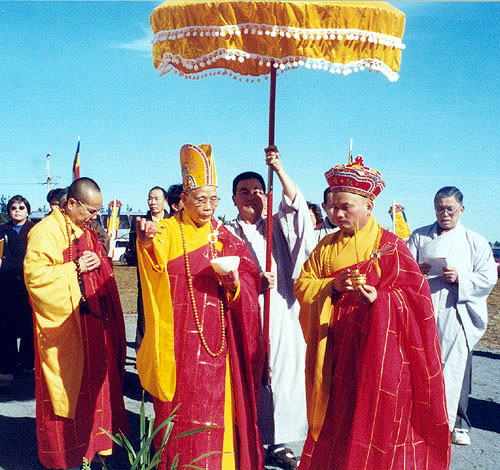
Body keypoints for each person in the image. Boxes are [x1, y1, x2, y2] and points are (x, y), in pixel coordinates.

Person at [294, 156, 451, 470]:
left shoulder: (391, 247)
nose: (337, 214)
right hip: (335, 349)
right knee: (336, 418)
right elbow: (303, 284)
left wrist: (380, 299)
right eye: (332, 207)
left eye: (345, 207)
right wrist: (332, 287)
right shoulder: (325, 246)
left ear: (369, 205)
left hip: (378, 351)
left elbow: (415, 298)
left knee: (376, 419)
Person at [136, 144, 264, 470]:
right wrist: (147, 240)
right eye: (200, 200)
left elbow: (249, 283)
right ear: (183, 200)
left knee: (218, 412)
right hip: (177, 338)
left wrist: (235, 286)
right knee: (180, 412)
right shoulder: (166, 230)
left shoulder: (222, 236)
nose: (208, 208)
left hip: (217, 343)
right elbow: (152, 263)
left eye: (213, 200)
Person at [24, 177, 129, 469]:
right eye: (91, 211)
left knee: (93, 390)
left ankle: (91, 449)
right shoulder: (45, 232)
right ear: (72, 204)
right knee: (64, 393)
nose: (94, 218)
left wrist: (98, 261)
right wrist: (74, 268)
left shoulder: (85, 232)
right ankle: (61, 457)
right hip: (63, 328)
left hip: (90, 325)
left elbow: (100, 265)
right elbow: (36, 279)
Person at [226, 146, 315, 470]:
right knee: (245, 375)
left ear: (266, 196)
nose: (251, 196)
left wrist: (278, 168)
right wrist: (250, 281)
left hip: (278, 312)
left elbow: (298, 213)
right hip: (243, 316)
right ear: (233, 199)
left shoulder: (276, 227)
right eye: (243, 192)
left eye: (257, 191)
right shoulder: (225, 233)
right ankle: (241, 438)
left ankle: (276, 442)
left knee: (279, 377)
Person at [407, 186, 497, 446]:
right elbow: (404, 267)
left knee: (457, 366)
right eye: (439, 208)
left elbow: (487, 277)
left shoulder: (474, 240)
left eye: (449, 209)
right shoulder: (420, 236)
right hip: (425, 310)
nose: (444, 214)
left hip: (456, 311)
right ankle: (421, 418)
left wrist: (461, 278)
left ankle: (458, 423)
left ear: (461, 209)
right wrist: (417, 270)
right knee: (422, 364)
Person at [130, 186, 169, 350]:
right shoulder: (140, 221)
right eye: (150, 198)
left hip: (168, 279)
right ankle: (142, 358)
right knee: (145, 319)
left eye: (156, 198)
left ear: (165, 201)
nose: (152, 202)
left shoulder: (172, 221)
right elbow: (133, 249)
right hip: (146, 278)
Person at [2, 195, 35, 372]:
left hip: (28, 281)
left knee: (28, 322)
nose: (17, 211)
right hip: (7, 283)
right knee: (7, 323)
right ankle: (10, 362)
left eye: (21, 207)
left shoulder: (34, 229)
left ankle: (27, 362)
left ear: (27, 210)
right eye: (13, 208)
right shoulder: (2, 229)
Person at [0, 225, 24, 392]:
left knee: (5, 334)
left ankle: (5, 375)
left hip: (5, 293)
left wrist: (3, 263)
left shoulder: (7, 233)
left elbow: (22, 260)